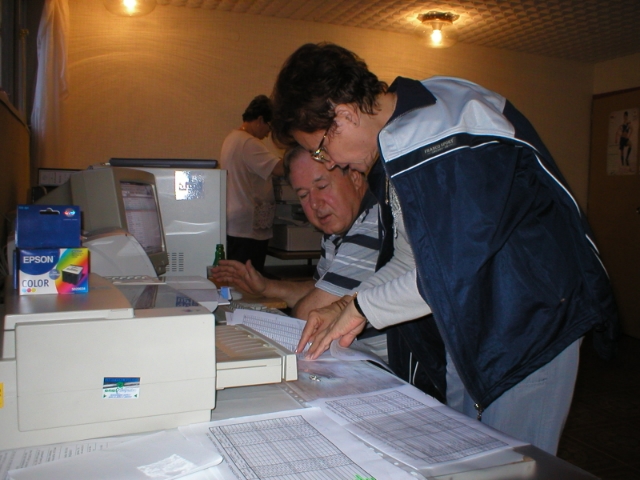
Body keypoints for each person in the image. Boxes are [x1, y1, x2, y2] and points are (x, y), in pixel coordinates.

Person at [270, 42, 618, 454]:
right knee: (465, 452)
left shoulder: (441, 134)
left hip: (530, 322)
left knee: (510, 462)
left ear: (343, 116)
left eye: (321, 149)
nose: (330, 163)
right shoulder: (401, 134)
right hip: (472, 319)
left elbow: (454, 270)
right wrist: (347, 303)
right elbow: (413, 258)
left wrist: (359, 308)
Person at [212, 145, 381, 321]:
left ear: (355, 178)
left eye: (322, 186)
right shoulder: (335, 232)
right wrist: (266, 287)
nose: (314, 204)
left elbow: (309, 312)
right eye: (303, 195)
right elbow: (320, 290)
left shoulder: (373, 225)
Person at [220, 95, 284, 273]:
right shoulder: (248, 142)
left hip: (235, 222)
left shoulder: (231, 138)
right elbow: (279, 169)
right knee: (249, 277)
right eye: (269, 126)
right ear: (260, 120)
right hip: (247, 227)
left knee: (237, 277)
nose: (268, 133)